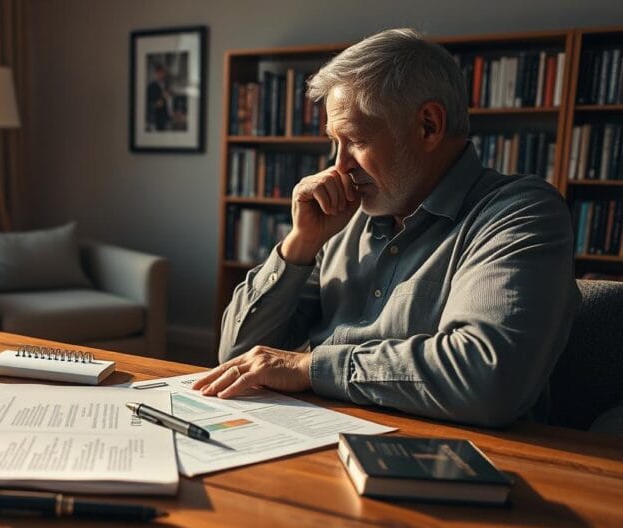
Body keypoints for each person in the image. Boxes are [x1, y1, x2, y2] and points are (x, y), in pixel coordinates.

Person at [194, 28, 579, 428]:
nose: (338, 165)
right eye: (333, 142)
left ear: (428, 126)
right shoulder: (344, 217)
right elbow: (236, 353)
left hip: (460, 455)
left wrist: (310, 369)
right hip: (319, 434)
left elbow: (488, 379)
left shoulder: (521, 213)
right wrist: (301, 242)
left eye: (355, 140)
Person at [147, 63, 172, 131]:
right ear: (156, 73)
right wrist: (156, 104)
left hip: (166, 116)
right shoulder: (151, 86)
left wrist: (168, 97)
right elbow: (149, 102)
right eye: (160, 73)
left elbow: (169, 99)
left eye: (163, 73)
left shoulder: (166, 84)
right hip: (156, 117)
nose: (162, 75)